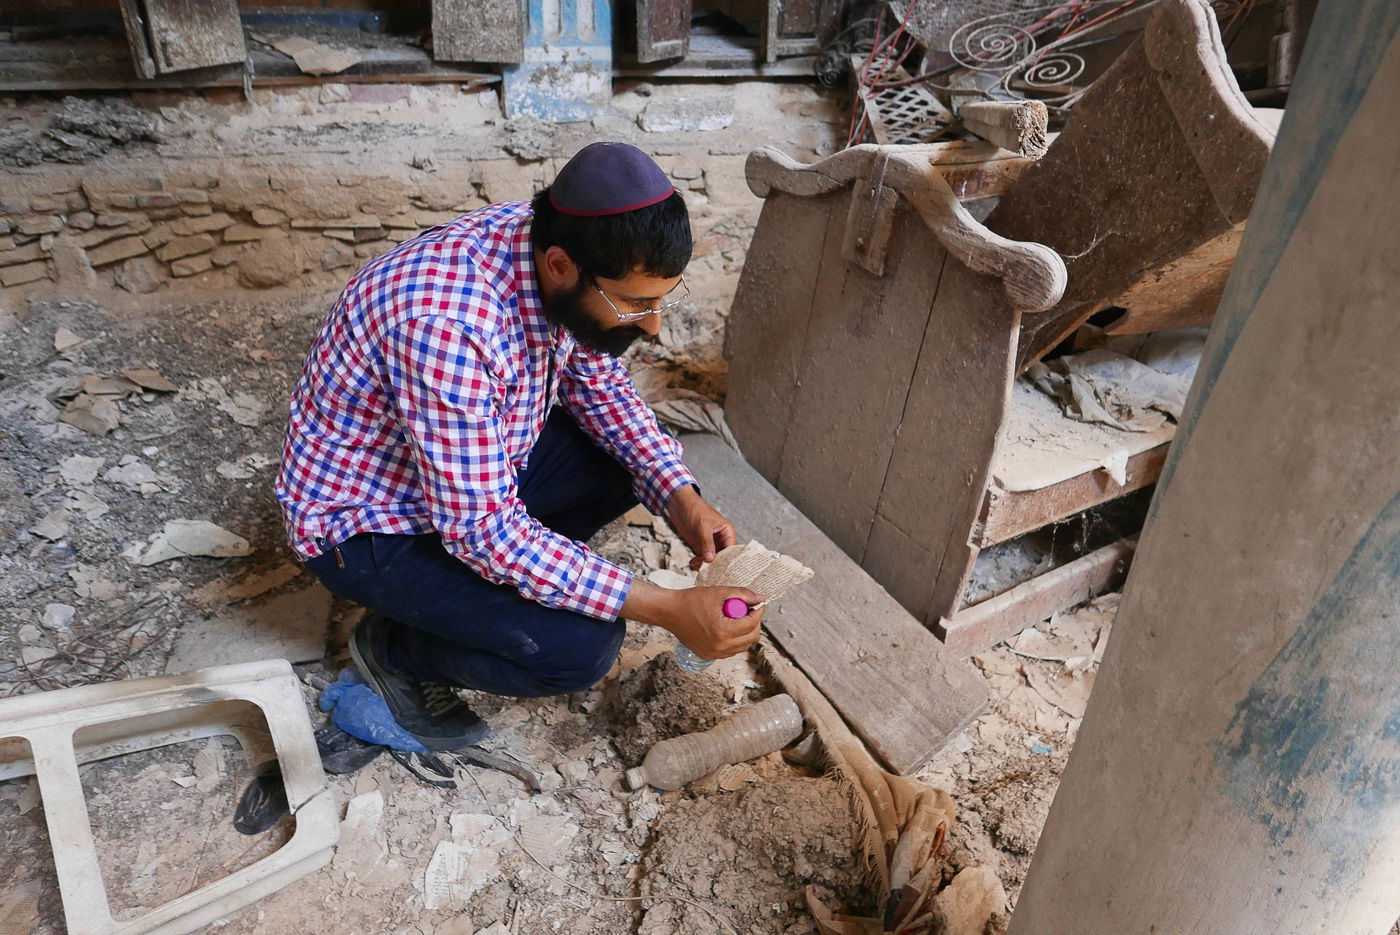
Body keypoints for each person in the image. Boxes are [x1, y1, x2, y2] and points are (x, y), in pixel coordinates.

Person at [275, 142, 766, 751]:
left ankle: (490, 594)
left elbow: (598, 383)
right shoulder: (443, 325)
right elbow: (484, 530)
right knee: (579, 648)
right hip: (369, 527)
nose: (653, 325)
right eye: (636, 304)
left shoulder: (547, 240)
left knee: (627, 464)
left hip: (460, 480)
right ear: (561, 266)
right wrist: (667, 608)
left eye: (661, 300)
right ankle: (393, 649)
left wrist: (679, 495)